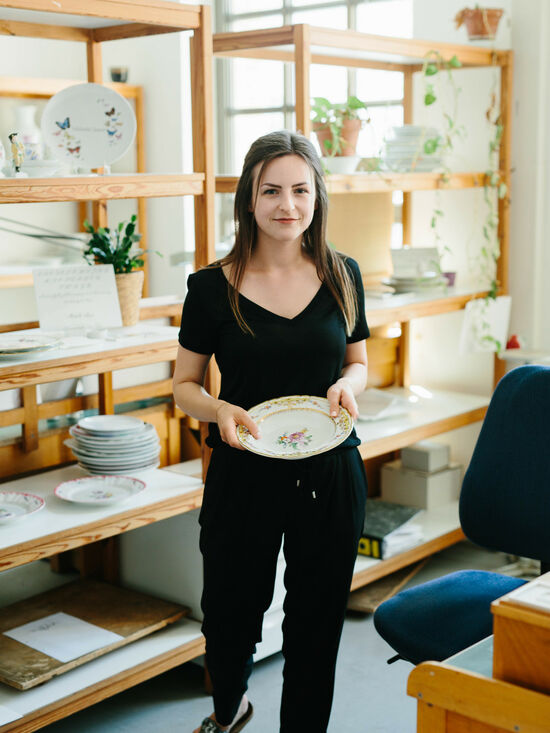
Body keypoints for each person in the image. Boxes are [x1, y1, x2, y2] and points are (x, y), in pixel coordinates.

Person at [173, 130, 369, 733]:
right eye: (272, 190)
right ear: (249, 200)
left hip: (330, 474)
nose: (288, 204)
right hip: (243, 471)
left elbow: (358, 362)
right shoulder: (211, 287)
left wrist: (348, 387)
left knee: (315, 625)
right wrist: (220, 411)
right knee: (229, 617)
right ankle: (227, 712)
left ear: (317, 197)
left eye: (301, 190)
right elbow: (184, 385)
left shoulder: (342, 273)